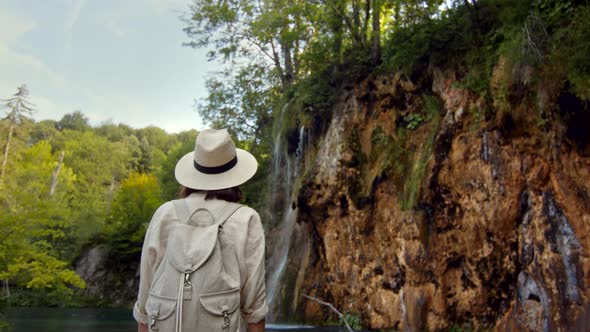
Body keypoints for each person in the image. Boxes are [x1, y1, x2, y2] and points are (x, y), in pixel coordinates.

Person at [133, 128, 267, 332]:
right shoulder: (246, 218)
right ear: (235, 175)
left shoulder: (165, 213)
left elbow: (145, 296)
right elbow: (254, 305)